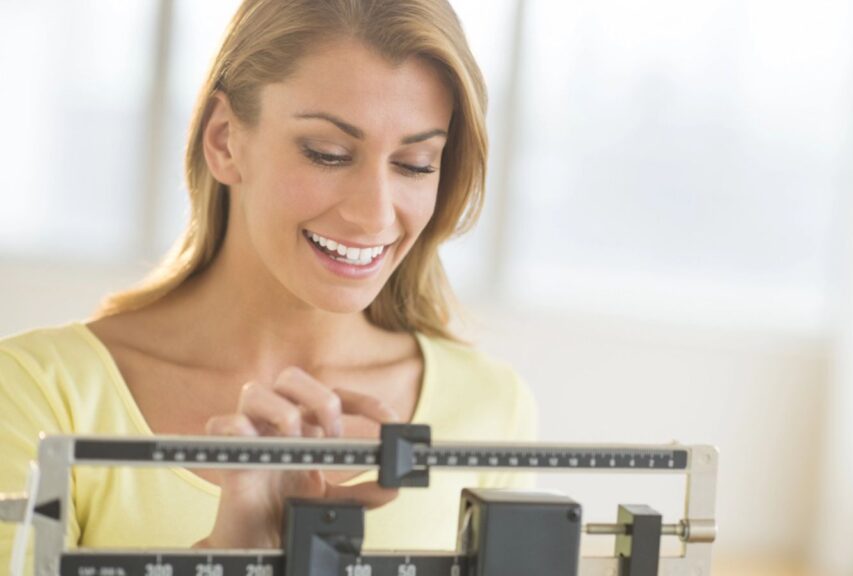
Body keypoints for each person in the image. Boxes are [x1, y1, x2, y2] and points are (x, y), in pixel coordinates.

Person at [0, 0, 536, 567]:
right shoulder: (37, 394)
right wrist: (225, 555)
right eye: (327, 154)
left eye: (416, 164)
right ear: (226, 140)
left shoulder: (492, 407)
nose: (375, 216)